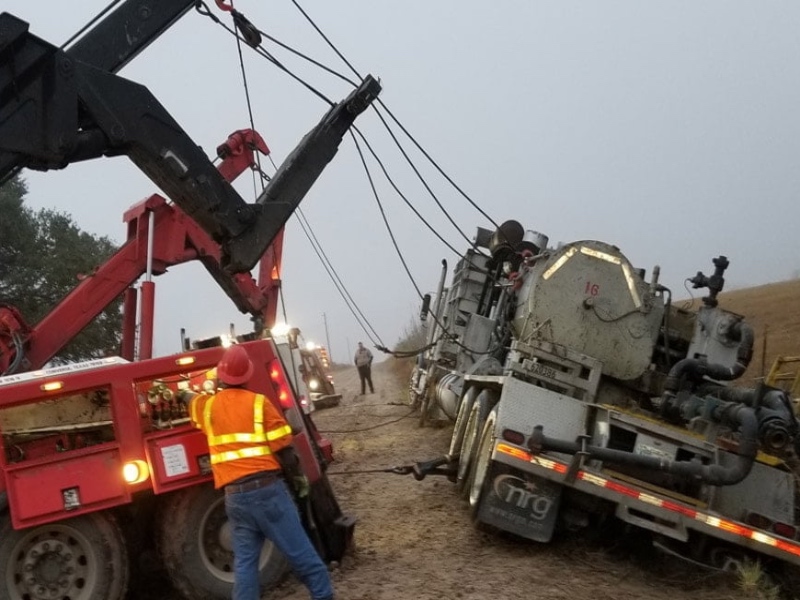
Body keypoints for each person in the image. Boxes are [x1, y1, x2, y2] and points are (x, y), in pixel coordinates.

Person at [188, 344, 334, 600]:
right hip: (268, 495)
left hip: (235, 499)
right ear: (247, 375)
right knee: (303, 557)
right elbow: (284, 449)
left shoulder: (208, 407)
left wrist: (185, 396)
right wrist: (298, 478)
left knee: (245, 566)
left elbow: (192, 402)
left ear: (222, 376)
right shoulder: (259, 404)